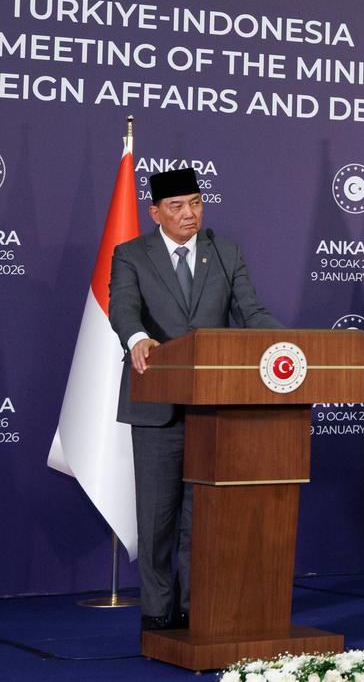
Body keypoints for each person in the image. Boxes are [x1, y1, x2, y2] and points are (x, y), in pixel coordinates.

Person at [108, 168, 282, 633]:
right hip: (157, 406)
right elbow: (123, 306)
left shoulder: (224, 253)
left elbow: (251, 311)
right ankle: (158, 608)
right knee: (158, 515)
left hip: (213, 408)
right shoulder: (131, 255)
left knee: (201, 517)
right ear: (156, 212)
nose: (190, 214)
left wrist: (292, 344)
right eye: (177, 206)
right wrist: (138, 338)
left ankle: (197, 602)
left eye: (196, 203)